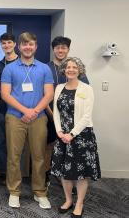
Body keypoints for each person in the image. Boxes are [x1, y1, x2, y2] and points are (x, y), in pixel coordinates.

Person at [1, 32, 54, 209]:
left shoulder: (44, 68)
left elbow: (49, 94)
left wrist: (35, 111)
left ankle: (40, 192)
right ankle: (14, 192)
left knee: (39, 156)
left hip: (38, 118)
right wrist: (25, 111)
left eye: (31, 44)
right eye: (24, 44)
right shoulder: (9, 68)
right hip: (15, 117)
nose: (27, 47)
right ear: (19, 46)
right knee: (14, 157)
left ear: (35, 46)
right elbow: (5, 94)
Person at [51, 57, 100, 218]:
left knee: (80, 173)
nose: (71, 69)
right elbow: (56, 112)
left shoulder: (87, 89)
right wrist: (59, 132)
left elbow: (86, 116)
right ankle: (68, 200)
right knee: (64, 171)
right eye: (68, 67)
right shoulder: (58, 87)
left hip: (81, 136)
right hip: (62, 136)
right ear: (64, 70)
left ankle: (79, 203)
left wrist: (71, 134)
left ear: (80, 70)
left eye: (74, 67)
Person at [45, 36, 89, 185]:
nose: (60, 50)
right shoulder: (47, 67)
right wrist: (52, 116)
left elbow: (85, 91)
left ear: (68, 49)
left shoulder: (74, 66)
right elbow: (41, 94)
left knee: (70, 146)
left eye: (63, 47)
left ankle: (66, 175)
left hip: (72, 119)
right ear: (53, 50)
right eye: (57, 47)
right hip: (49, 115)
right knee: (49, 146)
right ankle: (47, 175)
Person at [0, 33, 18, 186]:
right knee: (1, 143)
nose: (7, 45)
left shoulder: (22, 63)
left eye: (9, 42)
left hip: (18, 110)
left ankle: (15, 173)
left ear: (15, 44)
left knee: (16, 144)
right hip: (1, 111)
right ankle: (4, 172)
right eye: (4, 43)